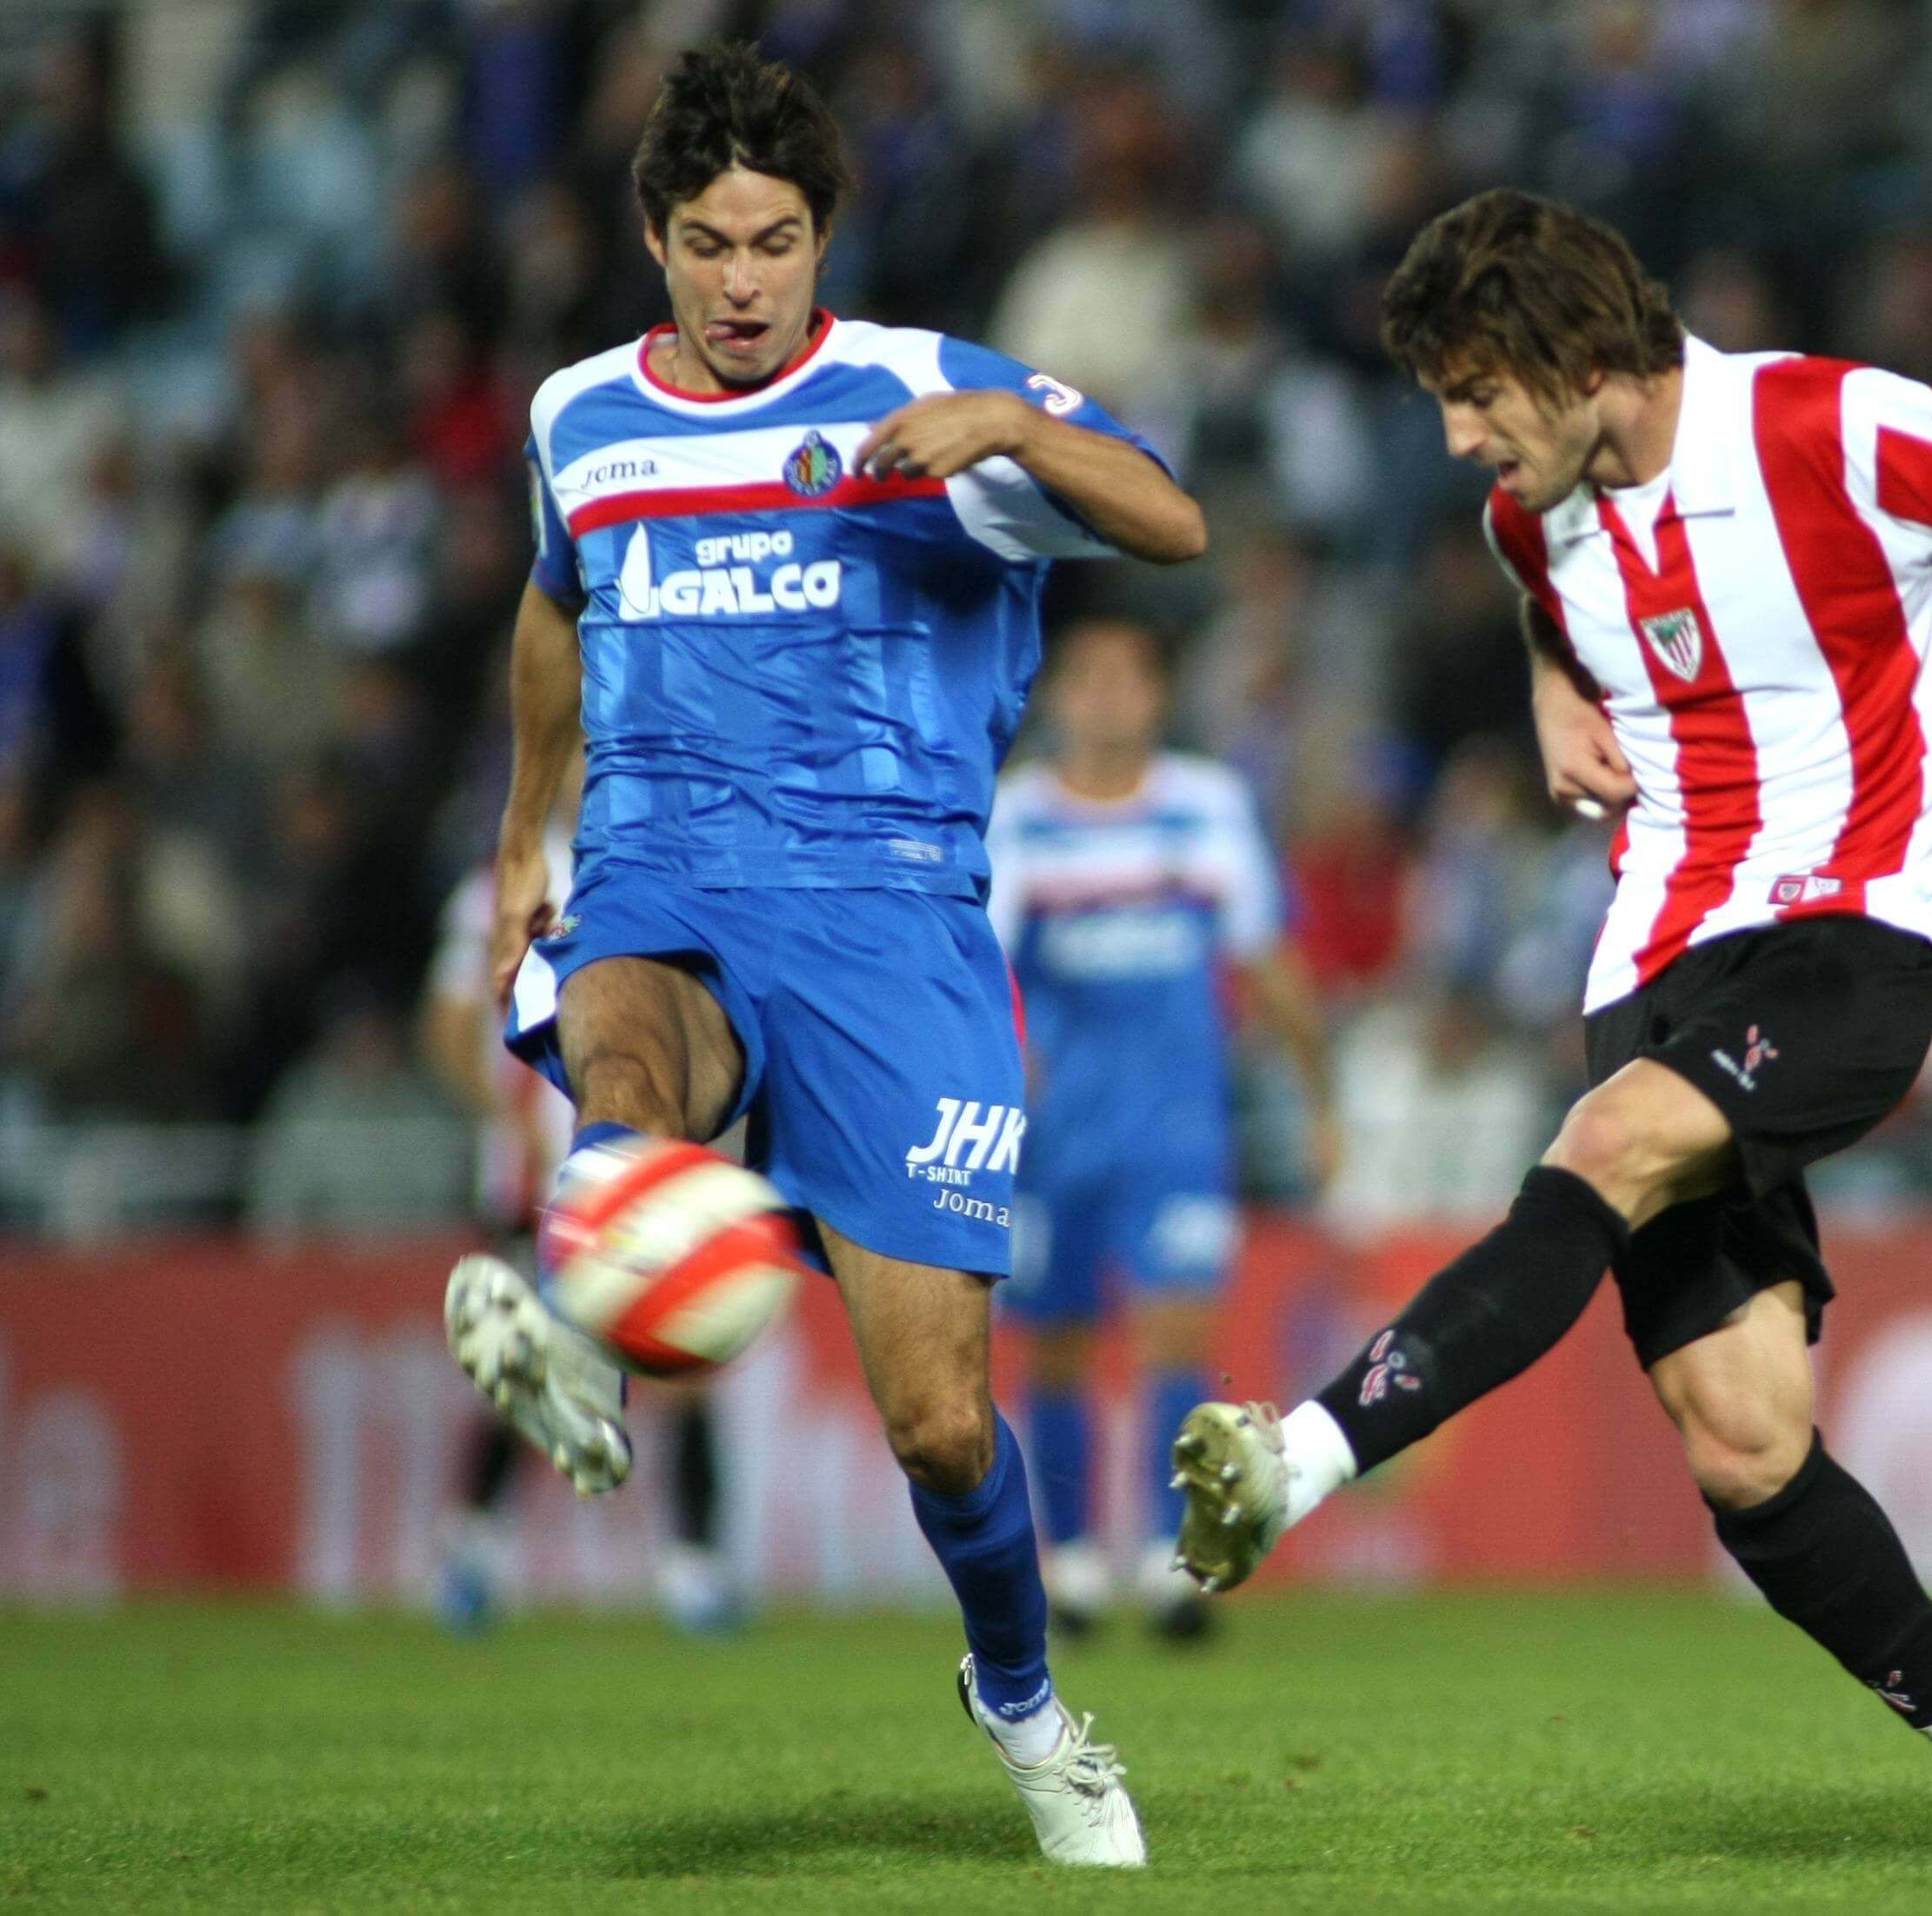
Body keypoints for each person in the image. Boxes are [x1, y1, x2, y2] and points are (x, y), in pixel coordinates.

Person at [1167, 190, 1932, 1868]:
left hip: (1849, 933)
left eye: (1477, 392)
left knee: (1605, 1145)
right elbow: (1541, 597)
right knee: (1743, 1444)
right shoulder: (1534, 519)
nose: (1455, 435)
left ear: (1579, 364)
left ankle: (1297, 1455)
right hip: (1655, 963)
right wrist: (1555, 692)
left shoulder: (1821, 422)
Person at [440, 43, 1203, 1869]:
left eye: (774, 242)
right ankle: (592, 1320)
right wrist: (528, 826)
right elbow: (554, 604)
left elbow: (1175, 521)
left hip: (889, 920)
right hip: (662, 868)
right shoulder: (578, 420)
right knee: (622, 1059)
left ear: (821, 238)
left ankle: (1018, 1696)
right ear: (651, 237)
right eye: (705, 243)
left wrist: (1014, 431)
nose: (738, 281)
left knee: (941, 1421)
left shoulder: (923, 386)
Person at [986, 617, 1332, 1640]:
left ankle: (1173, 1559)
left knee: (1175, 1329)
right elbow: (984, 975)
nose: (1104, 697)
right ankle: (1080, 1559)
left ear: (1156, 696)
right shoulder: (1020, 818)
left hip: (1178, 1124)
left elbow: (1266, 956)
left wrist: (1319, 1098)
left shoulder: (1206, 807)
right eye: (1085, 678)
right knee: (1056, 1342)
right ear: (1058, 700)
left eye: (1125, 677)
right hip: (1054, 1130)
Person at [421, 790, 739, 1636]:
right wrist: (503, 1122)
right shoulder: (504, 883)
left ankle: (696, 1566)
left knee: (686, 1358)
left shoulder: (686, 865)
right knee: (528, 1359)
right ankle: (473, 1549)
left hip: (656, 1167)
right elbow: (450, 1022)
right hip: (538, 1173)